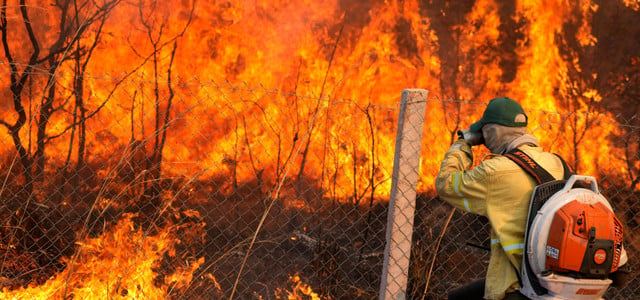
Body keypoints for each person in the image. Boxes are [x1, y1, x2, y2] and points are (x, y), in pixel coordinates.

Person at [434, 97, 565, 299]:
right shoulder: (558, 163)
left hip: (516, 285)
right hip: (558, 280)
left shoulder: (494, 171)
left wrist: (463, 144)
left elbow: (446, 184)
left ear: (491, 132)